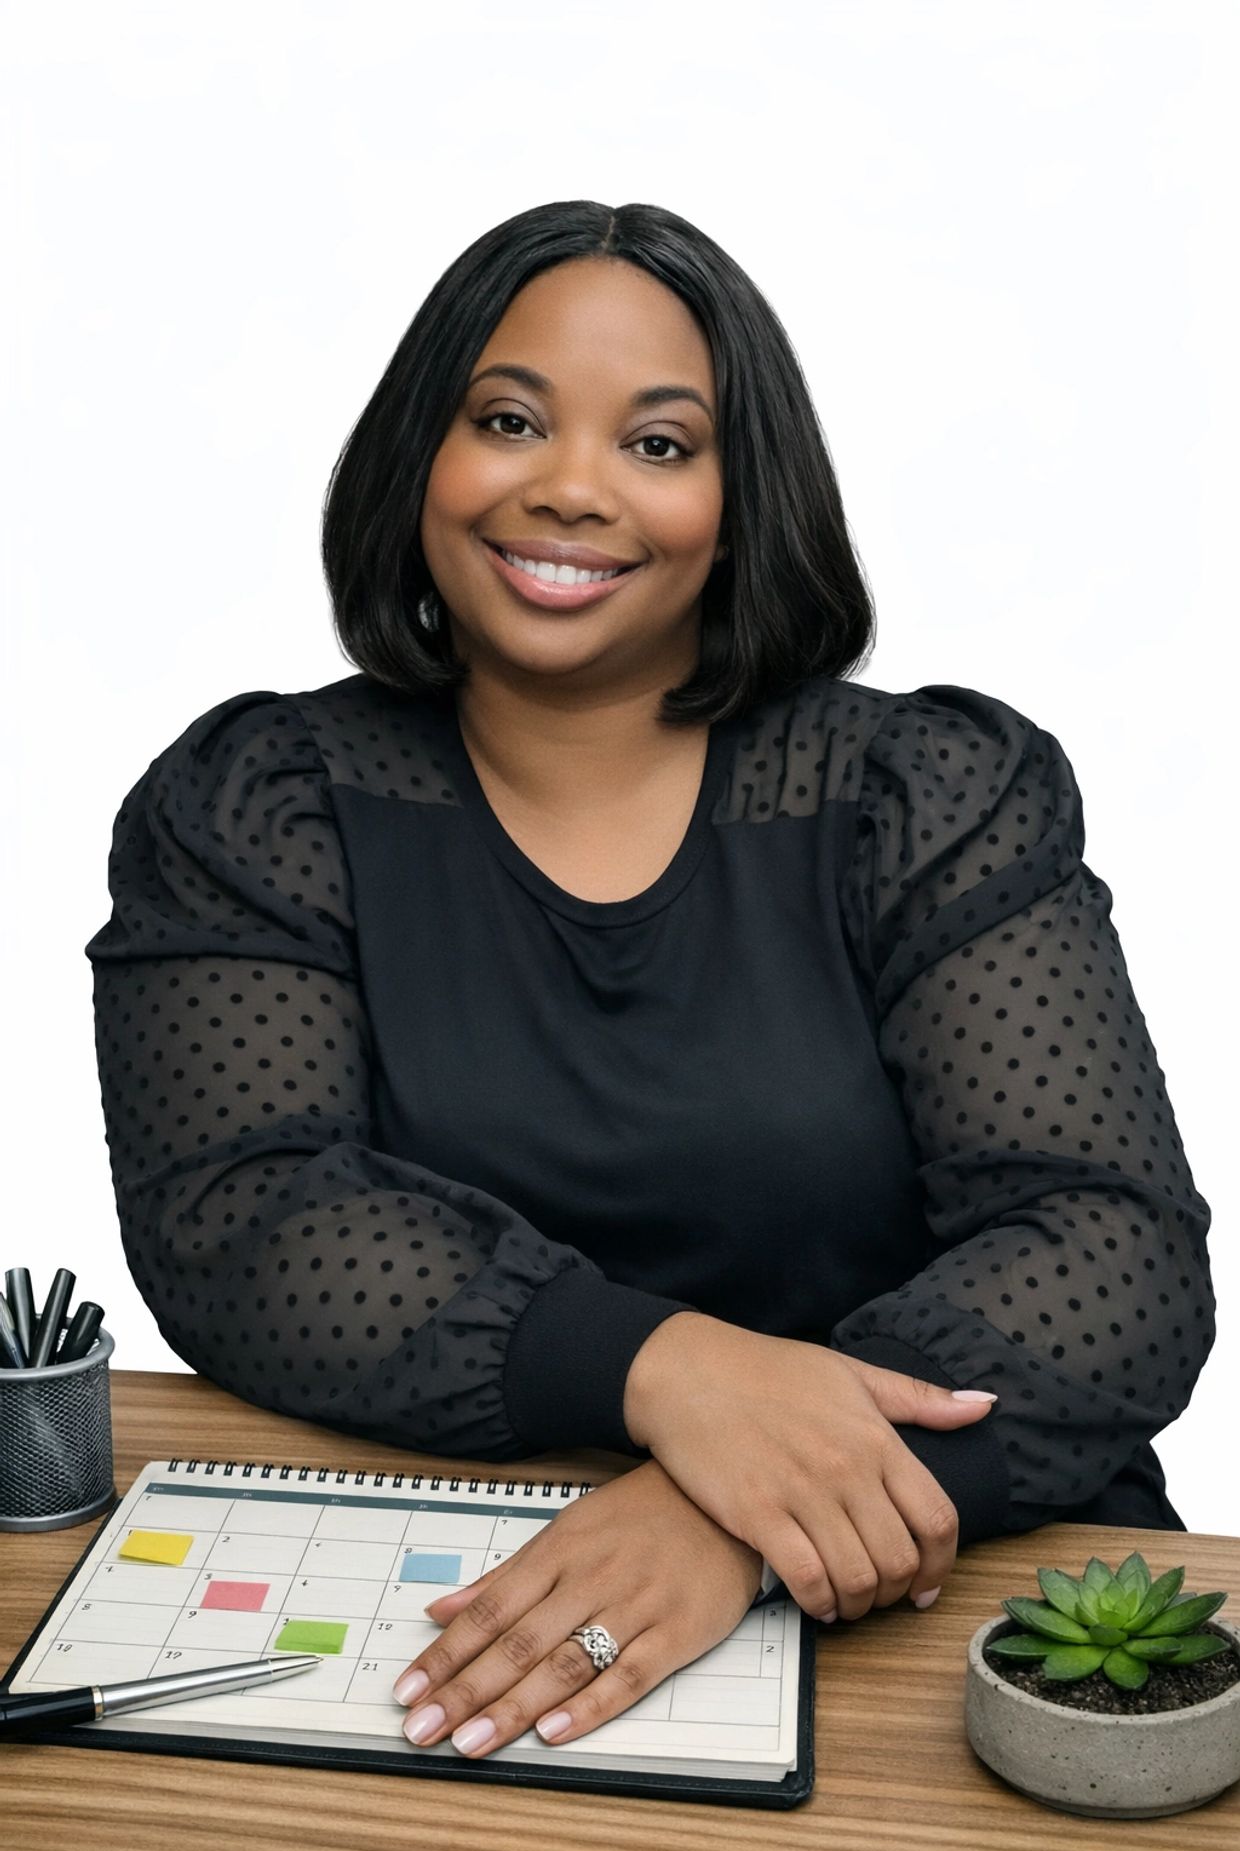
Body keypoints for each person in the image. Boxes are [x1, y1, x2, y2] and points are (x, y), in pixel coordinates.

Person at [84, 199, 1215, 1764]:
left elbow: (1110, 1251)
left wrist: (737, 1515)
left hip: (939, 1587)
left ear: (744, 503)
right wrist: (668, 1372)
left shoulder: (928, 794)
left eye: (660, 444)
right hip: (459, 1586)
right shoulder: (257, 805)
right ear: (423, 454)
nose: (569, 486)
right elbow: (242, 1216)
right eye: (508, 420)